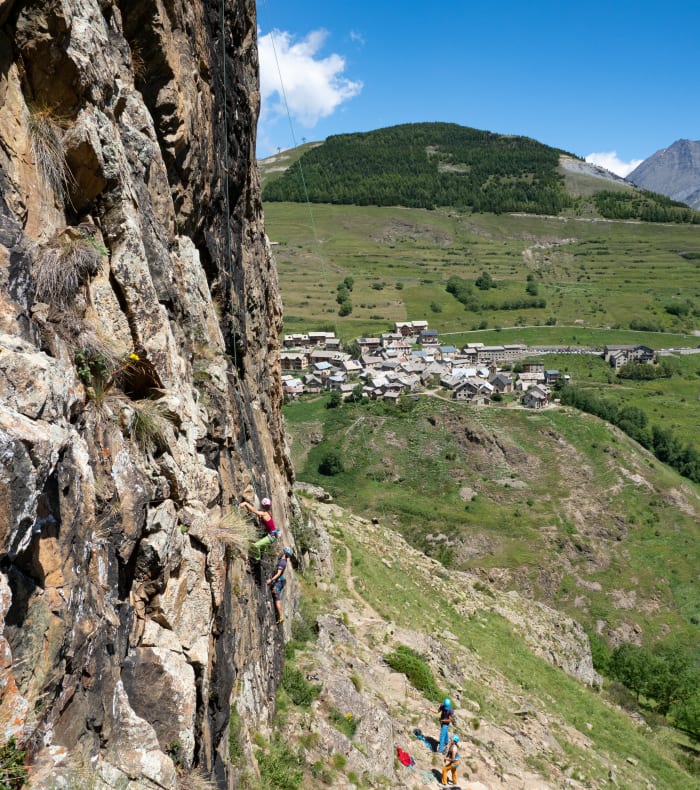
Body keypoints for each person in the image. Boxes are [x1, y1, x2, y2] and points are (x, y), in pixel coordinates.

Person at [266, 546, 293, 624]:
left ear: (284, 553)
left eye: (282, 551)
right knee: (275, 594)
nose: (281, 552)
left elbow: (278, 573)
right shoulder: (282, 559)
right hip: (280, 580)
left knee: (276, 596)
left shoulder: (282, 562)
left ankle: (281, 616)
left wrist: (270, 580)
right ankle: (280, 615)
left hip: (279, 581)